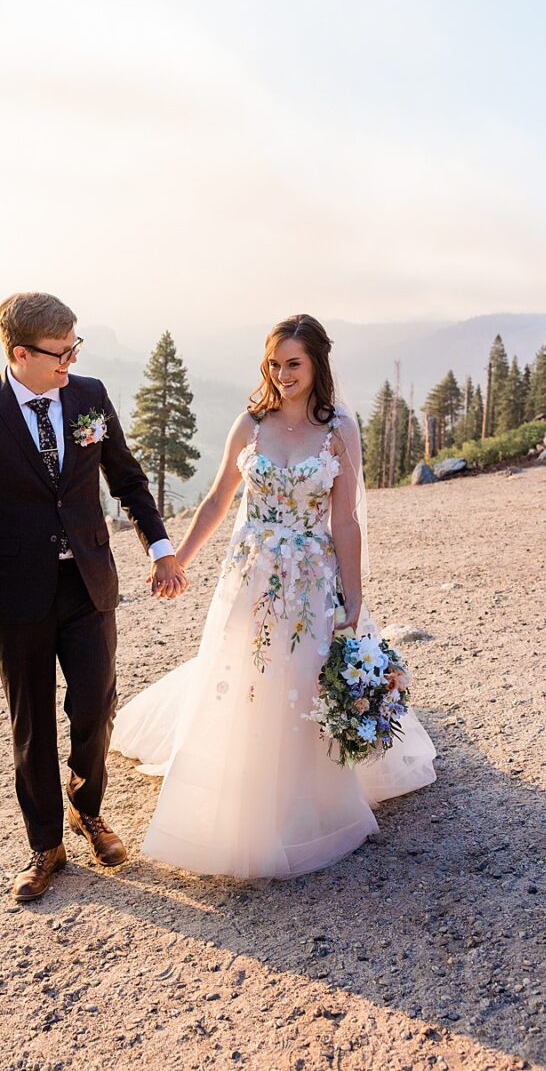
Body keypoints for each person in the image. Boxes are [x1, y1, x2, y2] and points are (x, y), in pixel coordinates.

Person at [110, 314, 436, 878]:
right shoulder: (250, 424)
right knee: (247, 676)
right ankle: (241, 790)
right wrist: (176, 561)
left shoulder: (340, 430)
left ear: (316, 366)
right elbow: (215, 501)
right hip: (250, 577)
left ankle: (305, 801)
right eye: (275, 363)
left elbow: (347, 521)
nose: (283, 374)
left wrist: (354, 599)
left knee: (304, 677)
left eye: (294, 364)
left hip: (312, 579)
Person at [0, 292, 185, 902]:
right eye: (60, 350)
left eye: (76, 345)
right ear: (20, 353)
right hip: (15, 593)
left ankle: (88, 807)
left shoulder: (88, 396)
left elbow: (125, 477)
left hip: (88, 582)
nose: (71, 358)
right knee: (31, 723)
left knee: (95, 707)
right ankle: (46, 844)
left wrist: (160, 548)